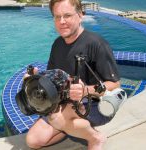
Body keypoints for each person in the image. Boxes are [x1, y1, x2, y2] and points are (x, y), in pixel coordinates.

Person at [26, 0, 120, 149]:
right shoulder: (57, 44)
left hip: (95, 104)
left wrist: (85, 91)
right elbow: (51, 78)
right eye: (57, 17)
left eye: (67, 15)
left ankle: (95, 138)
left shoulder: (97, 44)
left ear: (80, 15)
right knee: (33, 141)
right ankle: (71, 127)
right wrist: (34, 80)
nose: (62, 21)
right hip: (65, 103)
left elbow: (115, 85)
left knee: (56, 117)